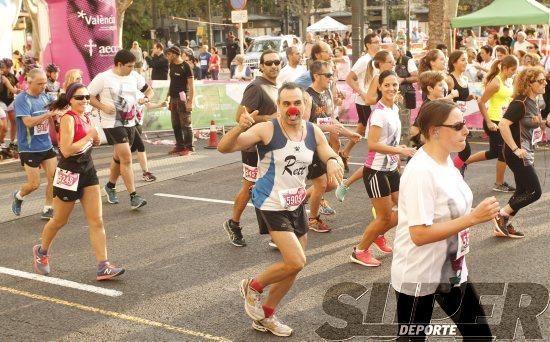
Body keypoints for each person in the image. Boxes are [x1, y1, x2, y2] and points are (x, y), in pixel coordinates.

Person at [218, 82, 344, 337]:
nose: (292, 108)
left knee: (293, 266)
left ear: (304, 105)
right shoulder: (267, 129)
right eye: (286, 103)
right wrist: (239, 127)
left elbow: (329, 152)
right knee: (297, 260)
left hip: (296, 203)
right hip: (270, 202)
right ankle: (253, 286)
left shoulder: (312, 131)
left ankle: (266, 315)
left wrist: (332, 162)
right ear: (279, 106)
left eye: (297, 102)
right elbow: (225, 147)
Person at [392, 99, 497, 341]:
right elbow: (418, 234)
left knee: (480, 337)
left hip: (452, 269)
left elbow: (448, 208)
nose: (467, 129)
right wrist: (472, 218)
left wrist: (481, 214)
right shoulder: (421, 171)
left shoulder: (446, 159)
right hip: (420, 274)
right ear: (434, 131)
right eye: (458, 125)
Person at [31, 83, 125, 281]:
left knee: (97, 220)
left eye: (86, 97)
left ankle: (103, 266)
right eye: (79, 98)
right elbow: (65, 150)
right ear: (70, 100)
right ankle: (41, 251)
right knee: (59, 220)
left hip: (88, 172)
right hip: (69, 173)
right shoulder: (68, 118)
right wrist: (89, 137)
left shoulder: (87, 116)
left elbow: (87, 140)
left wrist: (95, 139)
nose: (84, 101)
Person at [350, 70, 416, 267]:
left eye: (394, 85)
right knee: (384, 216)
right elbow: (372, 144)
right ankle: (360, 250)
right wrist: (399, 151)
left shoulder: (394, 108)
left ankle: (379, 234)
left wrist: (398, 151)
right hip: (376, 171)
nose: (391, 88)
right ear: (379, 87)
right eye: (387, 85)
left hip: (390, 168)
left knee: (405, 208)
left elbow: (390, 140)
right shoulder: (378, 113)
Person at [223, 50, 280, 247]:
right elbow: (240, 116)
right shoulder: (255, 87)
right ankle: (234, 224)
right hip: (253, 148)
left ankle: (277, 232)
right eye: (269, 63)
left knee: (272, 186)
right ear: (261, 66)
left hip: (271, 146)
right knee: (249, 187)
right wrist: (267, 118)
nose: (273, 66)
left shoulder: (275, 86)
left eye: (276, 62)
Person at [88, 49, 150, 210]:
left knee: (118, 157)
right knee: (127, 158)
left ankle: (110, 185)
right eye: (129, 66)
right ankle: (133, 196)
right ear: (119, 64)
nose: (132, 69)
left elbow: (148, 89)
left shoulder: (134, 76)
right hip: (112, 123)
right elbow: (88, 96)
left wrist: (145, 99)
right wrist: (102, 106)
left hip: (131, 122)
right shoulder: (103, 78)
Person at [305, 60, 361, 232]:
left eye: (332, 75)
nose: (331, 78)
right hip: (310, 147)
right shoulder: (307, 96)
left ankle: (299, 198)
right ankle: (313, 220)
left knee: (332, 183)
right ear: (316, 76)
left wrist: (349, 133)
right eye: (328, 75)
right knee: (321, 185)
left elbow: (331, 119)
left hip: (325, 146)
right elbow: (303, 124)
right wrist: (326, 127)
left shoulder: (328, 92)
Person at [495, 67, 545, 238]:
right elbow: (503, 125)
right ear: (529, 84)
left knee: (522, 190)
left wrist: (542, 122)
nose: (545, 82)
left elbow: (529, 124)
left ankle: (503, 223)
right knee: (534, 192)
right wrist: (516, 149)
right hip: (516, 153)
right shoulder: (520, 103)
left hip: (527, 151)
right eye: (540, 80)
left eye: (544, 79)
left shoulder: (535, 101)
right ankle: (501, 215)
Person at [463, 56, 518, 193]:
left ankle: (463, 162)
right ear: (504, 68)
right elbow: (481, 102)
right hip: (494, 120)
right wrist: (488, 122)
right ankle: (499, 183)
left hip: (504, 121)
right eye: (512, 69)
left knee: (495, 152)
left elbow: (506, 99)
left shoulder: (508, 81)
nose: (514, 72)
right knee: (502, 153)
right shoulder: (495, 83)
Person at [11, 69, 57, 219]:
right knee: (34, 184)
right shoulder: (21, 99)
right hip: (29, 148)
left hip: (47, 145)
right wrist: (47, 114)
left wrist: (58, 138)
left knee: (54, 178)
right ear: (29, 82)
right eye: (40, 83)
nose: (43, 86)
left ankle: (48, 207)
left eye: (45, 83)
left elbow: (50, 121)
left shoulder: (45, 97)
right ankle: (19, 196)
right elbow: (28, 122)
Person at [340, 33, 381, 172]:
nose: (378, 44)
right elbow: (349, 78)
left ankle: (344, 153)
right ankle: (373, 162)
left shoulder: (375, 60)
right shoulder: (364, 60)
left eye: (379, 41)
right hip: (364, 102)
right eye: (375, 42)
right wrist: (362, 93)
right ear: (368, 45)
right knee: (373, 132)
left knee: (362, 128)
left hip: (371, 101)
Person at [446, 51, 478, 177]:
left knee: (463, 150)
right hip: (450, 120)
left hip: (461, 118)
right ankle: (451, 174)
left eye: (466, 60)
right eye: (463, 60)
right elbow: (444, 99)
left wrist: (470, 97)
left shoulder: (464, 78)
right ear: (454, 62)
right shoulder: (449, 79)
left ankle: (453, 173)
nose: (466, 62)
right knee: (464, 150)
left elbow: (462, 98)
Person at [164, 46, 195, 156]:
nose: (167, 57)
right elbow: (172, 83)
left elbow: (191, 86)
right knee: (175, 124)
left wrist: (190, 102)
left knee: (185, 124)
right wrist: (167, 96)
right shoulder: (171, 64)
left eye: (168, 54)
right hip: (173, 99)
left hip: (183, 100)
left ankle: (189, 147)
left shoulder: (186, 66)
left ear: (174, 54)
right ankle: (179, 146)